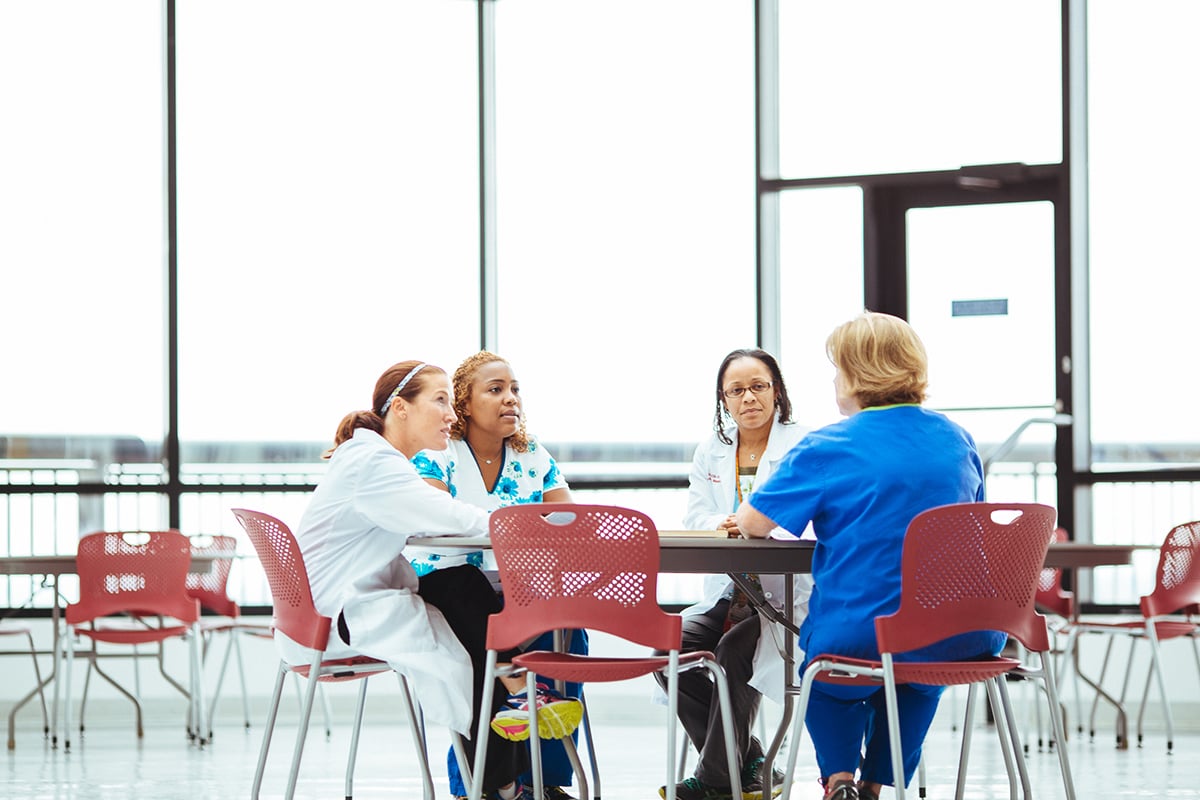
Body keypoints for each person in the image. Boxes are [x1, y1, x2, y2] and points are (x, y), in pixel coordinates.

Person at [735, 313, 1000, 800]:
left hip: (861, 634)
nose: (835, 381)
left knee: (826, 677)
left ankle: (839, 780)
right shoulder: (958, 439)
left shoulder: (829, 444)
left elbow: (753, 523)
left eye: (837, 370)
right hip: (963, 631)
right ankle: (877, 786)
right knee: (918, 676)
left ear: (856, 376)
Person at [291, 360, 581, 800]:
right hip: (335, 617)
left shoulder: (381, 461)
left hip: (346, 605)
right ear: (401, 408)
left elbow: (431, 521)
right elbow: (445, 515)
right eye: (440, 400)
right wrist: (516, 528)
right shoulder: (374, 464)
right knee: (466, 622)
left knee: (461, 589)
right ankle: (506, 767)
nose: (451, 414)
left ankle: (503, 762)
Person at [412, 351, 585, 800]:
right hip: (452, 588)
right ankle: (478, 784)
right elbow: (435, 523)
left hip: (523, 587)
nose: (511, 399)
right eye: (496, 390)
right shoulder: (438, 452)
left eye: (515, 389)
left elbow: (569, 522)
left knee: (568, 632)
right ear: (464, 404)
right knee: (481, 644)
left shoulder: (532, 454)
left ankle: (544, 783)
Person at [658, 348, 812, 800]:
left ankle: (714, 783)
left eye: (758, 386)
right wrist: (726, 524)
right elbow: (697, 517)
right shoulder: (712, 451)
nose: (749, 398)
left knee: (732, 654)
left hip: (784, 596)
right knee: (668, 649)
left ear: (776, 391)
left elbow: (808, 517)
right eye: (737, 390)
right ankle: (749, 758)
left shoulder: (803, 444)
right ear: (724, 400)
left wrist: (757, 525)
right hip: (729, 592)